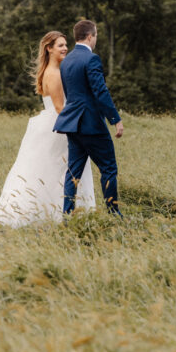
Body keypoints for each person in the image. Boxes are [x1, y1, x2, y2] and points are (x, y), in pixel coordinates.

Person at [0, 31, 95, 229]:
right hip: (60, 126)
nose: (65, 48)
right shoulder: (53, 74)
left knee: (52, 171)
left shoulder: (55, 71)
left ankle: (58, 214)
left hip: (49, 123)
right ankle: (58, 216)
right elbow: (61, 108)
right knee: (63, 170)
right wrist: (82, 125)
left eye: (65, 44)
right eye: (60, 45)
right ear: (49, 48)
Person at [54, 19, 124, 216]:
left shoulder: (66, 60)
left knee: (73, 173)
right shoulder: (91, 59)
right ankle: (114, 214)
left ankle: (67, 216)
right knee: (109, 168)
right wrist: (115, 119)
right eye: (96, 37)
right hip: (91, 124)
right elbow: (100, 91)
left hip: (72, 125)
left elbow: (71, 93)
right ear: (90, 36)